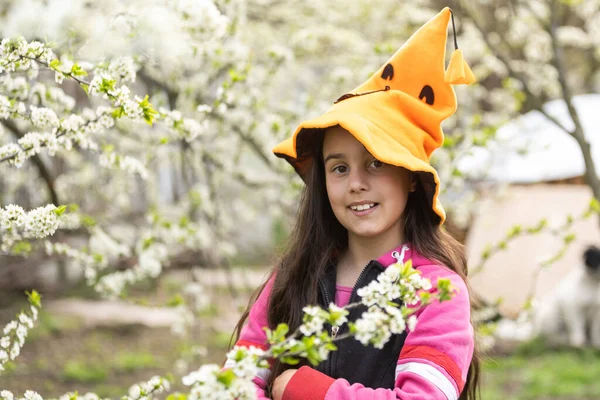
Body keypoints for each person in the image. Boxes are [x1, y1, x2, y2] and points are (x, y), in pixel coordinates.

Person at [227, 7, 479, 400]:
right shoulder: (294, 278)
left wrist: (304, 389)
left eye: (376, 163)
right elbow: (237, 380)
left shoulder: (434, 290)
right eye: (339, 168)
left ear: (411, 177)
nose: (357, 184)